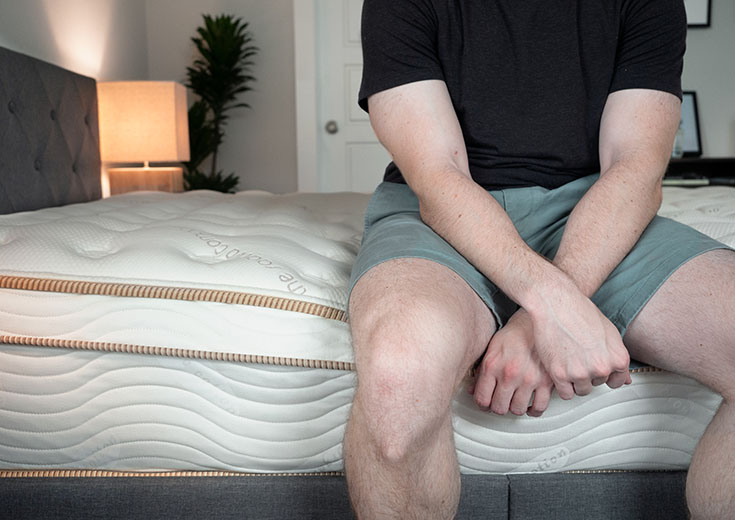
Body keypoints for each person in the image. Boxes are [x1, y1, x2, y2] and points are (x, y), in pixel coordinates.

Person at [342, 0, 735, 518]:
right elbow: (439, 175)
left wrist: (541, 314)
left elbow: (635, 167)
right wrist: (552, 303)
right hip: (440, 212)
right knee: (398, 380)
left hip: (597, 215)